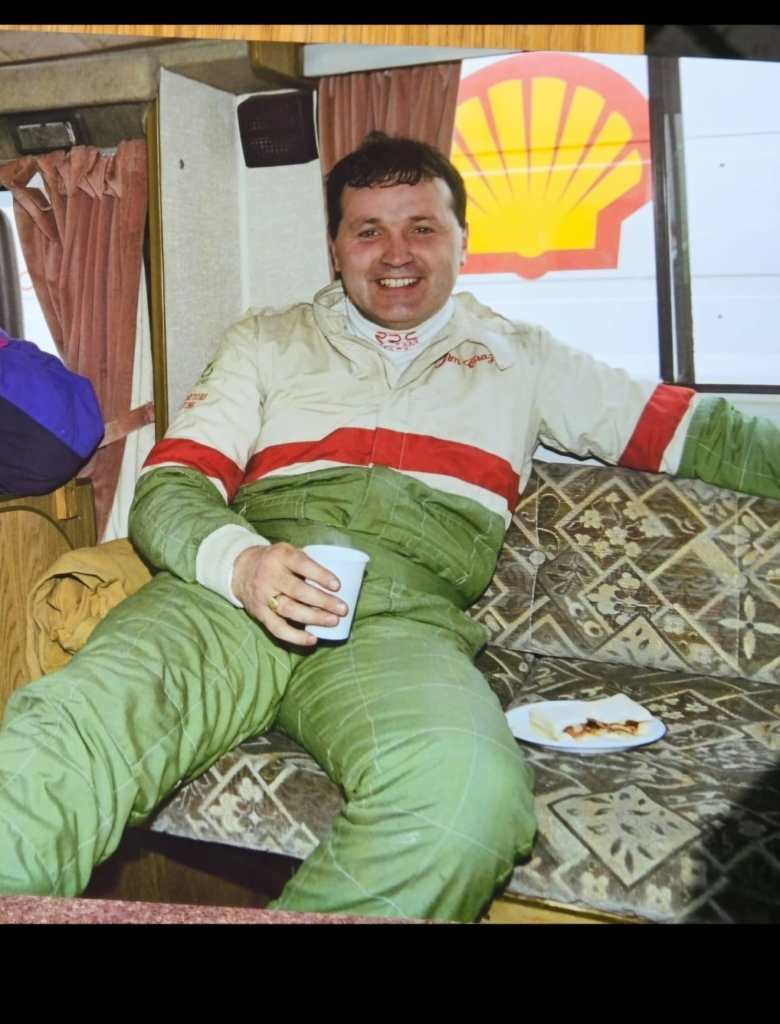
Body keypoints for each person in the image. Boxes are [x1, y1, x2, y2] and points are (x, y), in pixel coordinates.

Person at [0, 132, 777, 922]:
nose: (396, 253)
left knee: (466, 803)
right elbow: (171, 485)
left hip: (398, 629)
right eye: (368, 230)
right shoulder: (266, 339)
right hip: (228, 600)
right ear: (335, 249)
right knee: (57, 739)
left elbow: (711, 436)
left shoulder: (525, 359)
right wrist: (243, 564)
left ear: (463, 242)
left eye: (422, 227)